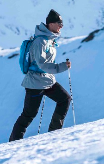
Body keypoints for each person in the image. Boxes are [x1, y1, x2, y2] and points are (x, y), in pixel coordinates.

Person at [9, 9, 72, 141]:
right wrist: (61, 67)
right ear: (50, 24)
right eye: (59, 23)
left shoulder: (49, 40)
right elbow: (42, 64)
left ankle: (54, 133)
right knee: (29, 114)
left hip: (47, 80)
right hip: (35, 82)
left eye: (62, 23)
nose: (61, 26)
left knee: (65, 99)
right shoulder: (40, 42)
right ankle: (14, 142)